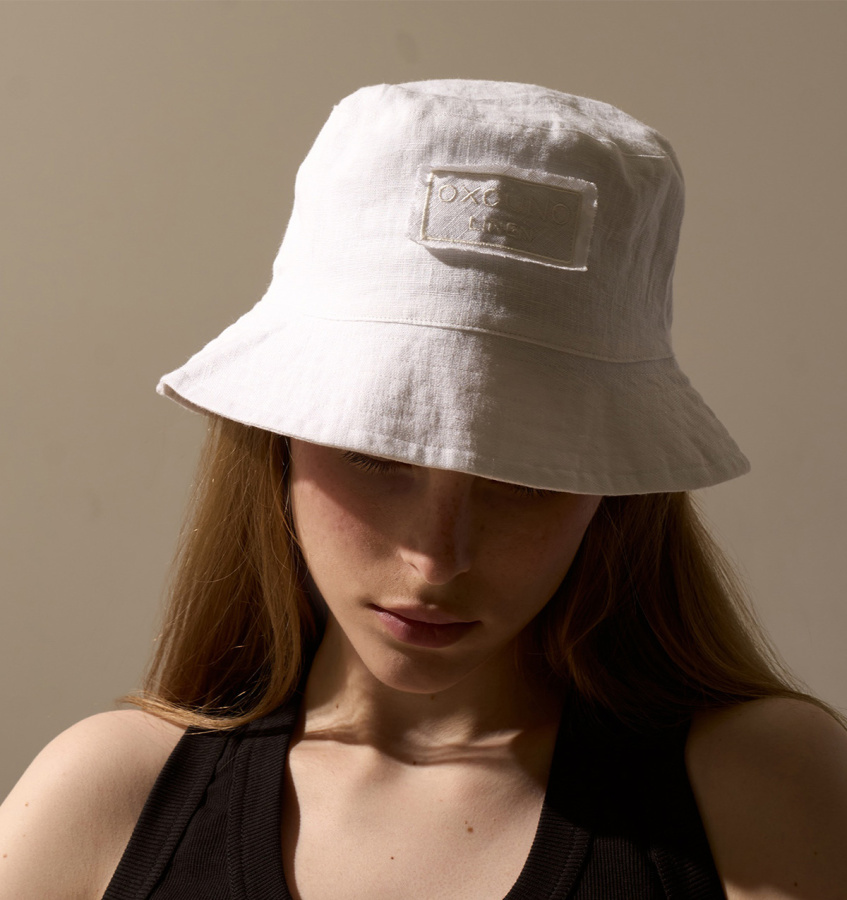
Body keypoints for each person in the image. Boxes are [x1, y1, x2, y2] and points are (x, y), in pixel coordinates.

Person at [1, 80, 846, 900]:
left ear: (615, 491)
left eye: (523, 478)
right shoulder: (108, 799)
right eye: (378, 456)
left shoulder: (758, 787)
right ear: (278, 446)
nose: (436, 557)